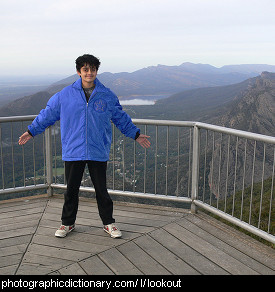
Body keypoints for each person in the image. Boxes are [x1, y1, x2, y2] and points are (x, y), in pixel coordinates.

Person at [18, 54, 151, 239]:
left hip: (97, 149)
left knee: (101, 190)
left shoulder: (106, 95)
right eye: (86, 69)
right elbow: (47, 114)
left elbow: (120, 118)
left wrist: (135, 134)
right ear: (79, 71)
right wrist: (32, 130)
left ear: (97, 71)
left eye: (93, 69)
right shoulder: (64, 95)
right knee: (71, 190)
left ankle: (109, 223)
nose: (90, 73)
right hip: (74, 150)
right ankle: (67, 223)